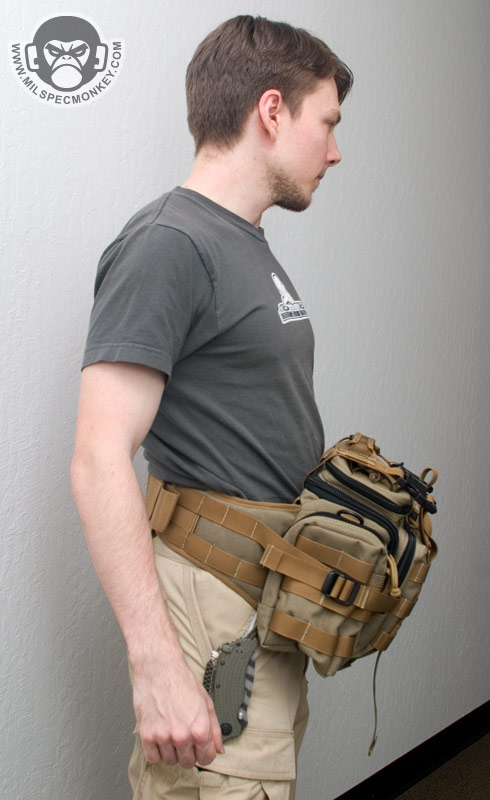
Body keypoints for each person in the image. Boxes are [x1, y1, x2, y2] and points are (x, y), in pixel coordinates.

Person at [71, 14, 353, 799]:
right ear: (272, 111)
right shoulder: (169, 243)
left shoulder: (240, 240)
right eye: (328, 122)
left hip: (263, 594)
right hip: (212, 600)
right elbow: (97, 458)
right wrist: (156, 664)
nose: (335, 150)